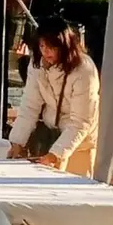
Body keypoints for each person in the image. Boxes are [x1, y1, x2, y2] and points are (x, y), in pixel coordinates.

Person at [7, 17, 99, 175]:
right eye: (42, 45)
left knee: (73, 193)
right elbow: (29, 107)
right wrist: (16, 142)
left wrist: (55, 155)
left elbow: (81, 122)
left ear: (64, 45)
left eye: (51, 46)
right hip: (51, 136)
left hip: (81, 144)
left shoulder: (84, 70)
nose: (45, 51)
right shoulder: (37, 65)